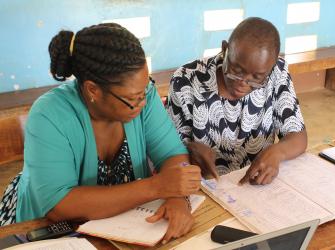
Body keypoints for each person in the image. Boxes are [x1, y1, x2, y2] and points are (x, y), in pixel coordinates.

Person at [0, 23, 201, 243]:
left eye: (145, 90)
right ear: (92, 90)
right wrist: (157, 186)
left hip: (119, 223)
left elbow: (172, 154)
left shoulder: (144, 96)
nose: (144, 101)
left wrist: (177, 198)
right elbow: (59, 205)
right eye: (133, 98)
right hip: (48, 230)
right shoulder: (49, 115)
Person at [167, 17, 307, 185]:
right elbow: (167, 151)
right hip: (204, 186)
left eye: (257, 78)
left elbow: (298, 136)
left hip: (254, 186)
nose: (243, 83)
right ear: (225, 50)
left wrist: (277, 152)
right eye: (236, 70)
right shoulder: (186, 81)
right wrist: (190, 150)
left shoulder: (277, 73)